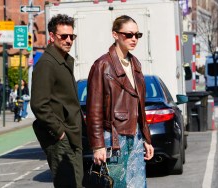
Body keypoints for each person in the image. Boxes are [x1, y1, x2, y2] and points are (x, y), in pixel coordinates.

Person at [86, 15, 154, 187]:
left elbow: (140, 106)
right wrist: (97, 145)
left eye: (137, 35)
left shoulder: (135, 63)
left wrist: (146, 138)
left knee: (138, 184)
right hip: (113, 138)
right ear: (115, 35)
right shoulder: (102, 65)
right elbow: (93, 110)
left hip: (136, 135)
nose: (133, 39)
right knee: (117, 184)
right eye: (128, 34)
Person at [31, 14, 84, 188]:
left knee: (76, 182)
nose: (68, 40)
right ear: (52, 37)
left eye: (72, 36)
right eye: (63, 36)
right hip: (61, 138)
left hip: (72, 134)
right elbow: (39, 104)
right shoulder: (47, 64)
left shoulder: (64, 61)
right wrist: (59, 132)